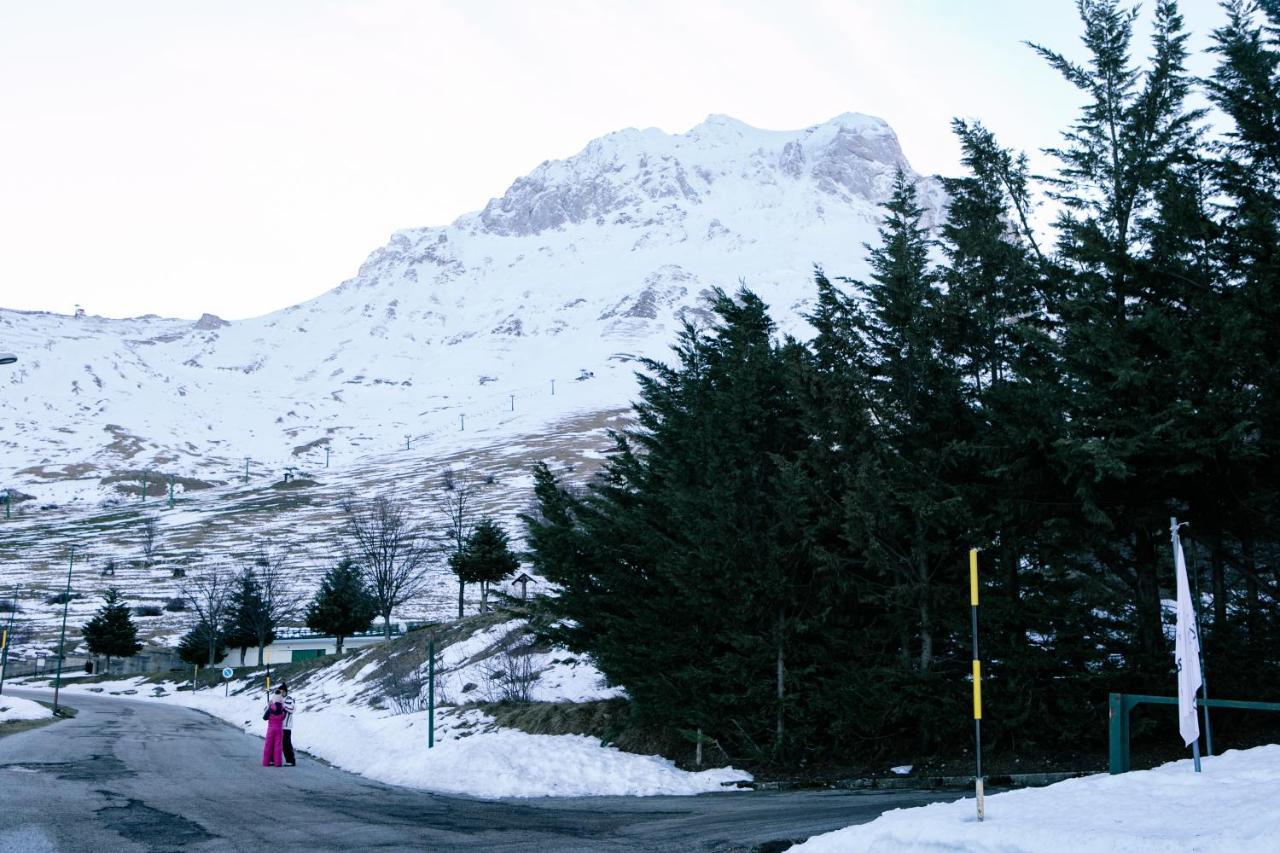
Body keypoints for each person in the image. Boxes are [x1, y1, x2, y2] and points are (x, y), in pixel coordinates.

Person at [262, 686, 287, 767]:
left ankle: (266, 762)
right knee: (278, 746)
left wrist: (269, 706)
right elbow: (284, 717)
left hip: (271, 729)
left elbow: (264, 718)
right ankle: (278, 763)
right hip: (279, 729)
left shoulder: (270, 708)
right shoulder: (283, 709)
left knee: (268, 745)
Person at [280, 682, 297, 766]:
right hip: (279, 726)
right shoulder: (278, 699)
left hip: (286, 726)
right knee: (283, 744)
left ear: (286, 692)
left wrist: (282, 705)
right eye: (280, 691)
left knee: (287, 743)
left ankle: (291, 760)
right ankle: (288, 760)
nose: (282, 693)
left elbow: (292, 709)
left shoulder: (289, 699)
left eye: (283, 691)